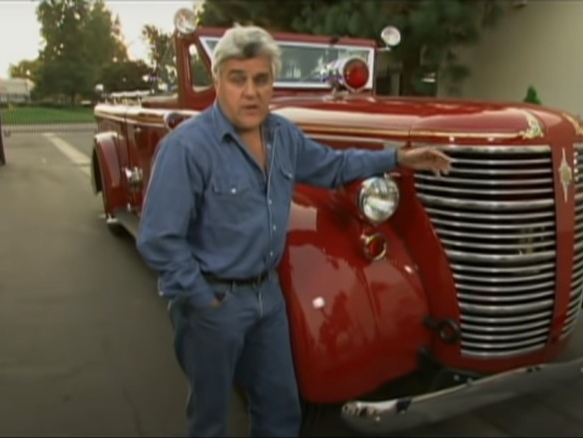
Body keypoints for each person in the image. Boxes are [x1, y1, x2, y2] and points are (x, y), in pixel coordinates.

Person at [135, 24, 452, 438]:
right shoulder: (186, 147)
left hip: (268, 296)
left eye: (261, 79)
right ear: (217, 80)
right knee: (211, 417)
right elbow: (158, 238)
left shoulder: (283, 136)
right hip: (213, 303)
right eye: (238, 79)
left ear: (272, 83)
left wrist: (399, 158)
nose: (251, 92)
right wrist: (201, 298)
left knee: (280, 410)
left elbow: (334, 166)